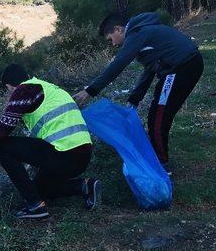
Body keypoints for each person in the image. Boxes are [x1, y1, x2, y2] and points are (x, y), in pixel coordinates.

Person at [72, 12, 204, 169]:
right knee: (159, 114)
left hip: (182, 67)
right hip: (184, 66)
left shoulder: (137, 34)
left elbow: (118, 65)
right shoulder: (142, 32)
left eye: (111, 39)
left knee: (158, 116)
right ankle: (158, 158)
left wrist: (90, 90)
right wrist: (134, 99)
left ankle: (159, 162)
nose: (113, 44)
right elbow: (150, 69)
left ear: (118, 29)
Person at [0, 64, 101, 219]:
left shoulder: (23, 90)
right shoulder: (49, 87)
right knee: (40, 189)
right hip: (82, 156)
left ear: (9, 86)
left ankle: (34, 206)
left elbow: (4, 127)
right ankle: (85, 186)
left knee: (2, 146)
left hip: (63, 153)